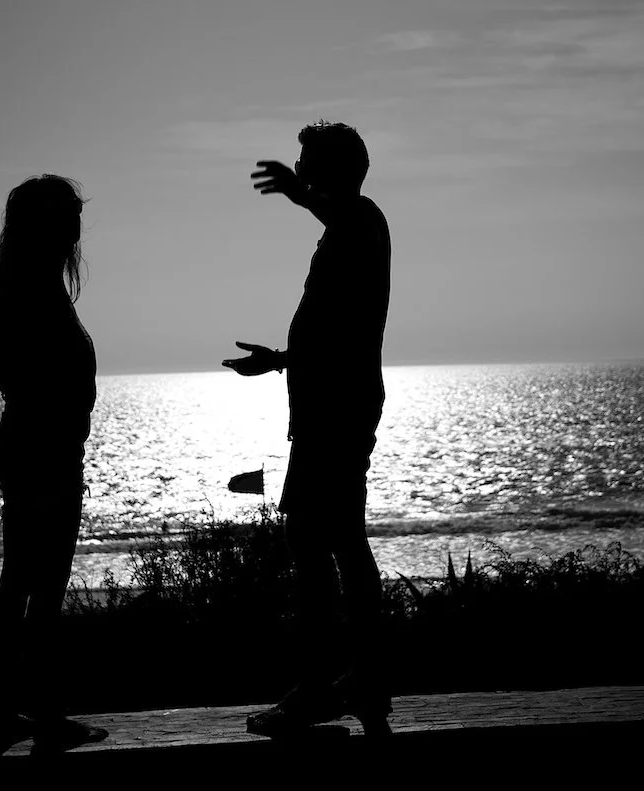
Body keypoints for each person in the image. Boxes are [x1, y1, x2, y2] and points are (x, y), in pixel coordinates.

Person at [223, 121, 392, 739]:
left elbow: (343, 336)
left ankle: (321, 686)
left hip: (336, 412)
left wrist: (297, 194)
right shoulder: (349, 230)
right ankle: (360, 679)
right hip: (329, 407)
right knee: (338, 540)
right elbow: (336, 333)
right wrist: (279, 360)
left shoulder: (360, 220)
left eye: (307, 162)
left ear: (332, 169)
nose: (299, 171)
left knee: (316, 541)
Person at [0, 174, 108, 756]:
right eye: (68, 216)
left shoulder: (39, 283)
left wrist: (24, 389)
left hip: (41, 447)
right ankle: (42, 717)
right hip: (40, 451)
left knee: (24, 583)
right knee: (39, 588)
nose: (76, 227)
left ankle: (10, 713)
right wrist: (22, 388)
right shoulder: (31, 286)